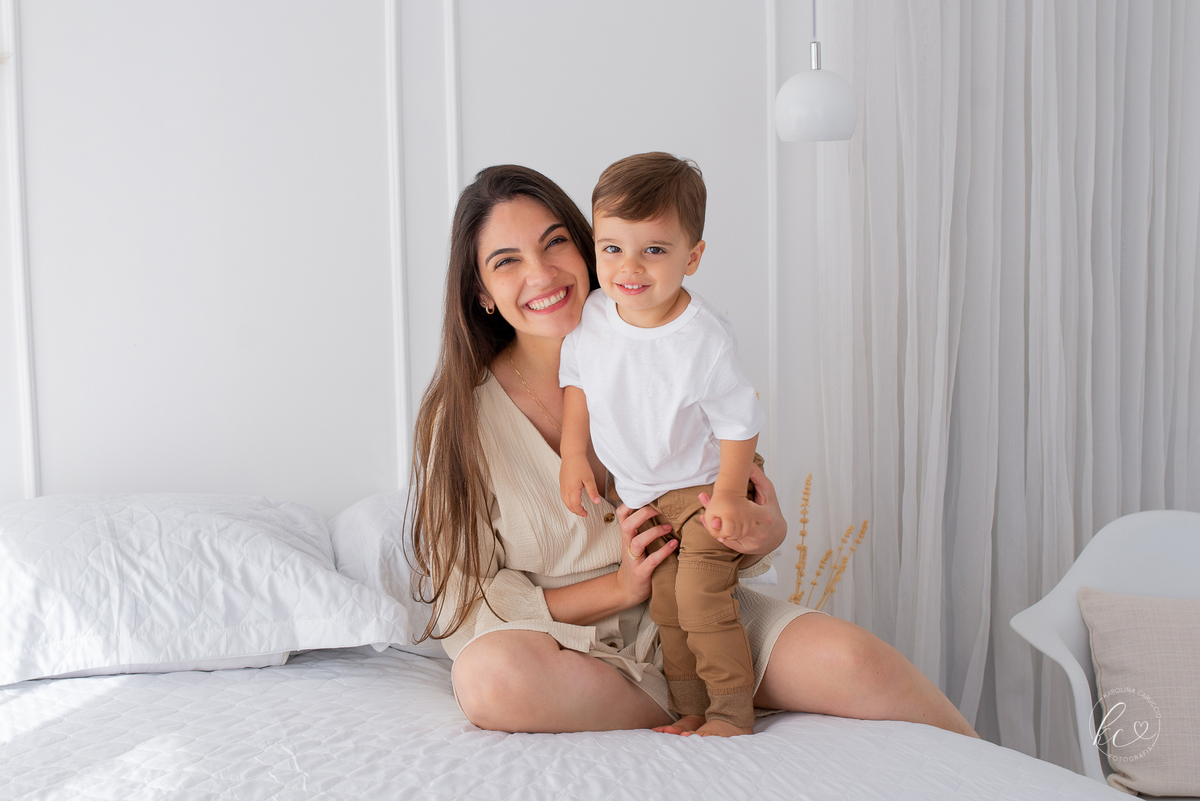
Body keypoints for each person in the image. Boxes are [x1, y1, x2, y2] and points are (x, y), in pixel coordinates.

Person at [409, 163, 978, 739]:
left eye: (555, 242)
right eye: (506, 261)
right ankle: (684, 704)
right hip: (568, 651)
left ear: (586, 250)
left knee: (859, 662)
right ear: (481, 292)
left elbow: (722, 489)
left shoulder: (679, 341)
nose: (541, 273)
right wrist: (619, 588)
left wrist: (763, 533)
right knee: (489, 678)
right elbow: (465, 606)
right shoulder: (456, 422)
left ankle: (992, 766)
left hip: (705, 611)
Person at [558, 152, 765, 736]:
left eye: (653, 249)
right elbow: (577, 384)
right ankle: (690, 707)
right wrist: (574, 455)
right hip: (643, 497)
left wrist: (730, 494)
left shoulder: (704, 339)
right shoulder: (595, 317)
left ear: (691, 257)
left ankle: (732, 712)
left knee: (701, 600)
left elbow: (739, 421)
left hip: (703, 489)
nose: (629, 266)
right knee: (668, 609)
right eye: (612, 247)